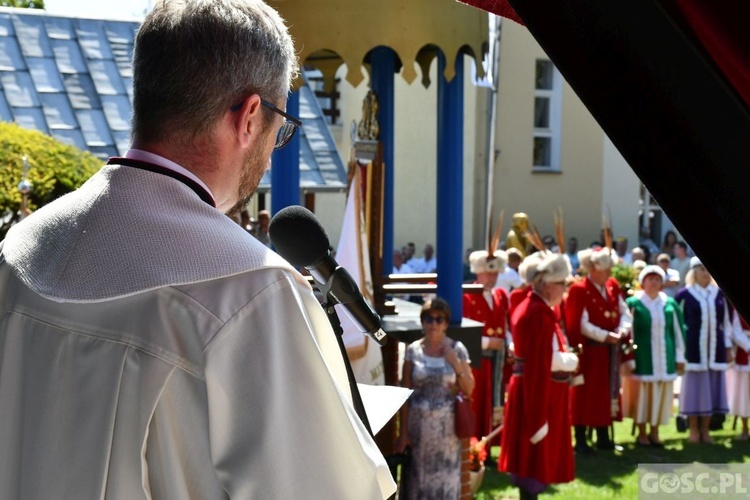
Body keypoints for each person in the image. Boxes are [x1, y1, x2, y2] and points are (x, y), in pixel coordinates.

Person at [0, 2, 396, 498]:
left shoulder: (17, 252)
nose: (275, 150)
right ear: (251, 116)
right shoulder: (251, 291)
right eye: (282, 128)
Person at [499, 252, 578, 500]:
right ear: (546, 284)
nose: (565, 288)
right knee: (532, 459)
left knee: (530, 459)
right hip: (536, 392)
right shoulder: (538, 313)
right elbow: (540, 362)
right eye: (561, 283)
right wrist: (571, 360)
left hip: (532, 388)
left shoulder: (534, 308)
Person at [395, 297, 475, 500]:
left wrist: (456, 364)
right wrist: (403, 432)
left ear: (446, 323)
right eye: (429, 319)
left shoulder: (457, 349)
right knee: (417, 482)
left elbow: (469, 388)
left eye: (439, 319)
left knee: (445, 483)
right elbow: (405, 393)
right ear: (422, 322)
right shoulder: (413, 350)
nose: (433, 324)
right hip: (418, 430)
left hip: (446, 433)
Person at [566, 247, 633, 453]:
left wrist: (622, 331)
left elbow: (624, 312)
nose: (608, 274)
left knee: (607, 394)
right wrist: (605, 335)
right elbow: (580, 323)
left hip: (609, 352)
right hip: (590, 351)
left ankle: (604, 437)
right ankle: (581, 439)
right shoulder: (579, 290)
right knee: (586, 394)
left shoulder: (612, 286)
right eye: (605, 270)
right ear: (592, 269)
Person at [621, 265, 686, 447]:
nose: (654, 283)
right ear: (643, 282)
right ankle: (641, 432)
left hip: (665, 356)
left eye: (657, 279)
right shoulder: (634, 303)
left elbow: (678, 332)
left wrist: (680, 357)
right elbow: (629, 332)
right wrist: (628, 357)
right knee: (642, 396)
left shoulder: (669, 304)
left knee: (661, 396)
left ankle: (655, 431)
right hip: (643, 357)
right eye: (650, 279)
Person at [675, 257, 733, 444]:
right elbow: (677, 325)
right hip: (693, 351)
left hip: (714, 350)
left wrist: (728, 346)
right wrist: (680, 351)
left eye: (708, 269)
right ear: (694, 272)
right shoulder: (684, 295)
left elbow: (727, 323)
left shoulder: (719, 294)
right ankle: (693, 430)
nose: (705, 273)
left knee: (712, 391)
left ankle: (706, 430)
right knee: (694, 391)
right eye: (701, 269)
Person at [463, 249, 511, 445]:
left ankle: (490, 444)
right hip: (477, 360)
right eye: (489, 272)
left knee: (494, 402)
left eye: (495, 273)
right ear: (478, 272)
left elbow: (506, 326)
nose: (493, 277)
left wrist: (509, 343)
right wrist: (487, 342)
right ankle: (475, 446)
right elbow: (464, 331)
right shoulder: (467, 296)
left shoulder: (501, 296)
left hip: (496, 361)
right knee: (478, 404)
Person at [726, 306, 750, 440]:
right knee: (743, 393)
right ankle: (745, 428)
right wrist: (748, 346)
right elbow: (735, 330)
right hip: (744, 352)